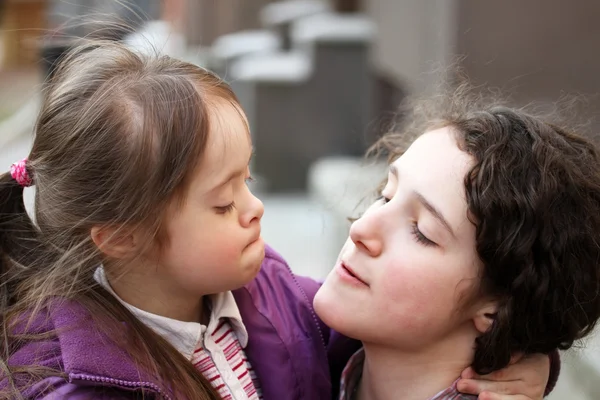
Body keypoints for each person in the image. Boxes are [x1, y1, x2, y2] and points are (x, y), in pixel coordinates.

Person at [1, 43, 554, 399]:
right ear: (122, 235)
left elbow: (387, 334)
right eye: (223, 203)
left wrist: (525, 361)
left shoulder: (267, 292)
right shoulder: (74, 382)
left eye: (248, 178)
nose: (254, 208)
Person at [314, 84, 600, 400]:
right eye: (385, 196)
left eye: (421, 232)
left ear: (497, 308)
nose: (362, 229)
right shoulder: (308, 349)